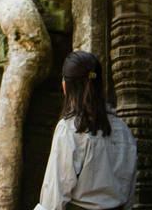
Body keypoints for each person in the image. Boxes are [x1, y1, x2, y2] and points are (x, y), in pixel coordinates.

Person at [38, 51, 137, 210]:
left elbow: (53, 199)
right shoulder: (124, 130)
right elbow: (129, 196)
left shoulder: (69, 129)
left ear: (65, 86)